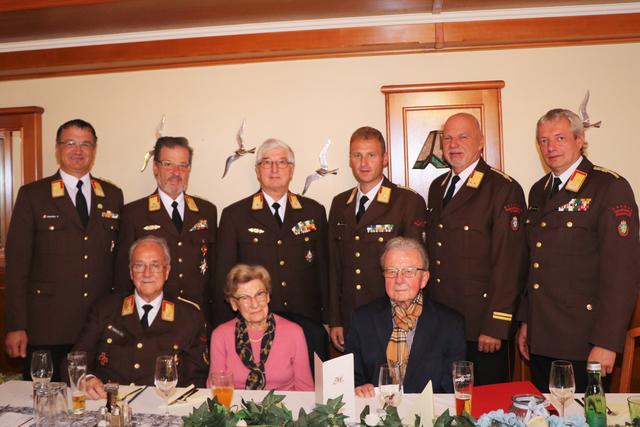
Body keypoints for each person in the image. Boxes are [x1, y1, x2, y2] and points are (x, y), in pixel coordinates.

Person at [517, 108, 639, 392]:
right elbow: (534, 263)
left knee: (584, 414)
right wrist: (526, 321)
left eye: (559, 138)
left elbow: (622, 273)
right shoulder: (538, 191)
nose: (550, 147)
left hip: (584, 341)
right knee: (545, 413)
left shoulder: (608, 187)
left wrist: (607, 342)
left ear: (580, 139)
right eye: (543, 140)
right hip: (542, 336)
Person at [4, 119, 123, 381]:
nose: (78, 150)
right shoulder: (33, 195)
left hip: (98, 327)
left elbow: (119, 264)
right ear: (58, 148)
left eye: (85, 144)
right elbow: (17, 266)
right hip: (48, 327)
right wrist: (16, 325)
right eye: (70, 143)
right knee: (44, 399)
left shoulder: (112, 195)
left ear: (94, 150)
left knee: (95, 400)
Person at [425, 113, 527, 385]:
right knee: (446, 401)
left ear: (481, 142)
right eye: (448, 138)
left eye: (463, 137)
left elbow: (510, 262)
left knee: (488, 403)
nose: (453, 144)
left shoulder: (502, 188)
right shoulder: (437, 188)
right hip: (443, 324)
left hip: (483, 327)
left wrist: (496, 324)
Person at [328, 126, 427, 352]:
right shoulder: (339, 204)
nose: (363, 163)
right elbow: (334, 266)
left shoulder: (407, 202)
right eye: (357, 155)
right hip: (350, 317)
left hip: (392, 316)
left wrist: (408, 317)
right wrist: (335, 319)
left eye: (371, 155)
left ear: (385, 159)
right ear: (350, 160)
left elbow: (416, 268)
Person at [73, 235, 209, 399]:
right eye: (139, 265)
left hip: (164, 404)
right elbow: (75, 359)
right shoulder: (106, 309)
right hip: (110, 403)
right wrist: (86, 379)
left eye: (155, 265)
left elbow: (197, 378)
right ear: (131, 272)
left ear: (167, 271)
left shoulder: (189, 315)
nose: (147, 273)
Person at [214, 139, 328, 331]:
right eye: (267, 163)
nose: (274, 169)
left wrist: (329, 319)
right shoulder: (235, 216)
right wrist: (224, 327)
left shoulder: (314, 211)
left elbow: (324, 271)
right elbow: (225, 279)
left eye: (282, 162)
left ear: (291, 170)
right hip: (254, 322)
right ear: (257, 171)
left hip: (307, 321)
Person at [344, 237, 466, 395]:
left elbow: (451, 388)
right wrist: (359, 388)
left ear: (424, 279)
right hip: (375, 408)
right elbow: (351, 377)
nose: (399, 280)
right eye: (391, 271)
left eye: (408, 272)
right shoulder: (362, 319)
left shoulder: (450, 324)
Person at [115, 136, 217, 320]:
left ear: (189, 169)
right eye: (168, 164)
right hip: (153, 318)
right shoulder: (134, 214)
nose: (176, 172)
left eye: (183, 165)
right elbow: (123, 276)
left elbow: (214, 270)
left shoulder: (206, 211)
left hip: (198, 315)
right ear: (155, 168)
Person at [209, 264, 314, 391]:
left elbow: (306, 391)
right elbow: (216, 390)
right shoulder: (220, 335)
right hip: (235, 403)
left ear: (268, 296)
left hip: (285, 403)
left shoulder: (294, 332)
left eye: (259, 294)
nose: (254, 304)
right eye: (245, 298)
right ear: (234, 304)